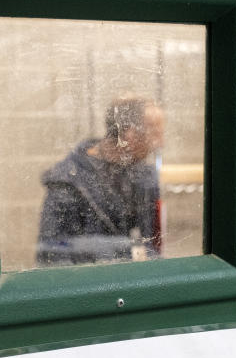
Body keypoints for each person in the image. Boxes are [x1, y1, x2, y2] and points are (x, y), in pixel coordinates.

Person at [35, 97, 165, 266]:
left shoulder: (143, 176)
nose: (160, 143)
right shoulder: (68, 180)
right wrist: (126, 250)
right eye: (154, 133)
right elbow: (49, 252)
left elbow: (151, 247)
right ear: (129, 134)